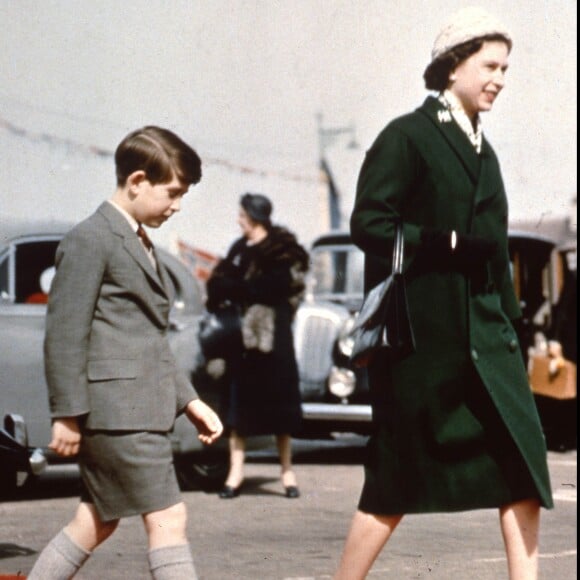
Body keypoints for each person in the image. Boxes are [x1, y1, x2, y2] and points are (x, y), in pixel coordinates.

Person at [333, 7, 553, 580]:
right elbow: (368, 224)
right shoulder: (408, 137)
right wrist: (444, 243)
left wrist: (514, 329)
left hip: (489, 344)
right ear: (453, 65)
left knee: (523, 472)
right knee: (393, 484)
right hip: (424, 350)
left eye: (506, 68)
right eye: (490, 65)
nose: (500, 79)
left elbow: (497, 252)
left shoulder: (487, 152)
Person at [27, 126, 223, 580]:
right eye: (173, 192)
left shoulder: (136, 239)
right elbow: (64, 334)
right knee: (168, 519)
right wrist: (66, 415)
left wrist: (190, 402)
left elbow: (146, 339)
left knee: (94, 521)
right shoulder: (91, 239)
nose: (177, 205)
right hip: (119, 417)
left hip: (133, 412)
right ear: (137, 182)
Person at [205, 193, 309, 499]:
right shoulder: (239, 248)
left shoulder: (283, 249)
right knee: (239, 408)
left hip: (273, 338)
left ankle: (288, 473)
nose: (238, 219)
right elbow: (218, 281)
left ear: (253, 216)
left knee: (280, 409)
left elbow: (275, 288)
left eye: (241, 214)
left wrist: (237, 288)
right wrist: (235, 289)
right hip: (242, 339)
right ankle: (235, 474)